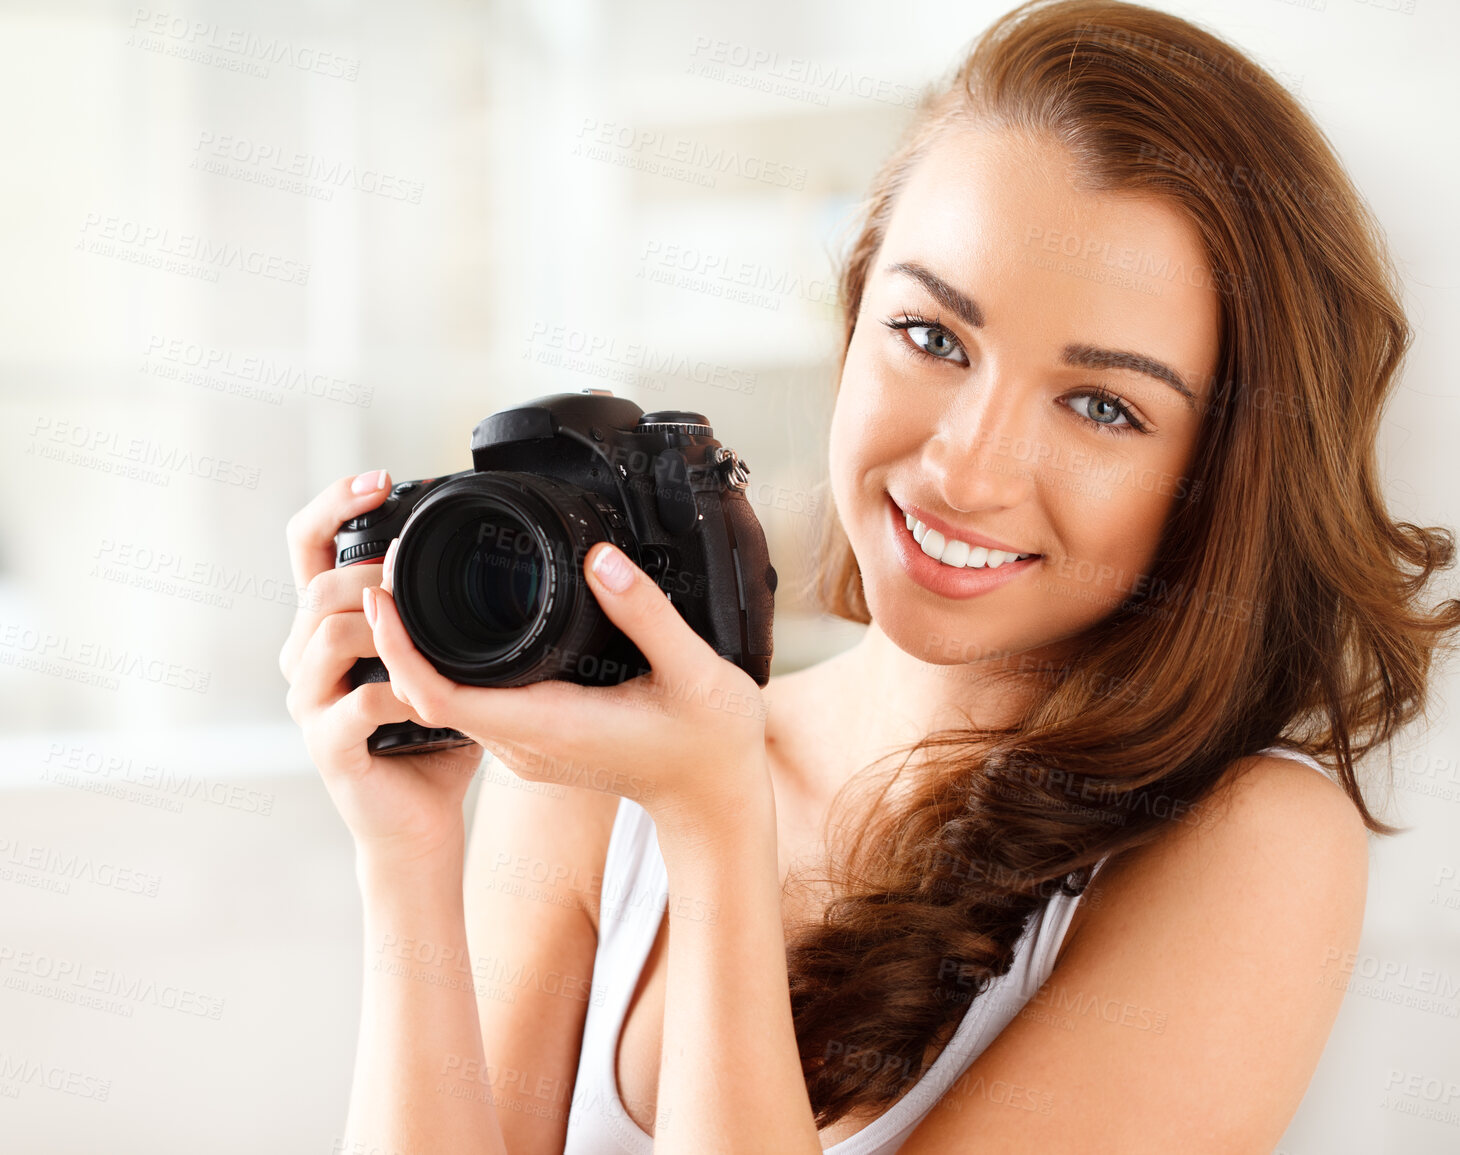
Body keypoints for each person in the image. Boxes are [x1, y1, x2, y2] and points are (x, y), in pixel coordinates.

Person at [278, 1, 1460, 1151]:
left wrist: (714, 822)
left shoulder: (1253, 845)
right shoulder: (605, 749)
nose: (965, 468)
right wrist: (409, 850)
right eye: (933, 338)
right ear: (852, 322)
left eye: (1102, 405)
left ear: (1222, 471)